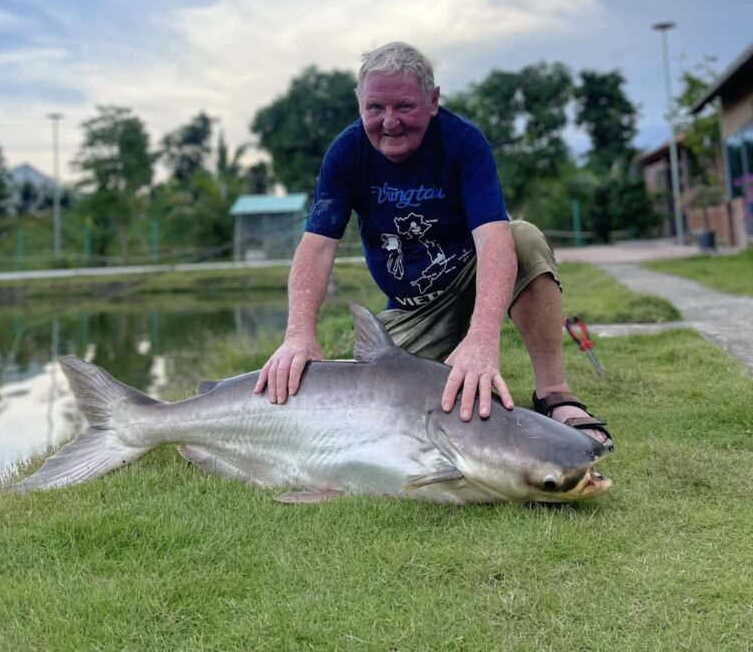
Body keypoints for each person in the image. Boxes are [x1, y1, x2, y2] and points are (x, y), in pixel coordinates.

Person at [255, 41, 612, 447]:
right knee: (377, 404)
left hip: (470, 279)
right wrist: (299, 332)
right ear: (360, 105)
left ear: (432, 101)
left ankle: (554, 393)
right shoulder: (345, 153)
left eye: (404, 106)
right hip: (413, 309)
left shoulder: (464, 143)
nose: (389, 122)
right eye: (375, 108)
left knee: (523, 237)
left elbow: (495, 240)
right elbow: (317, 247)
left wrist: (482, 338)